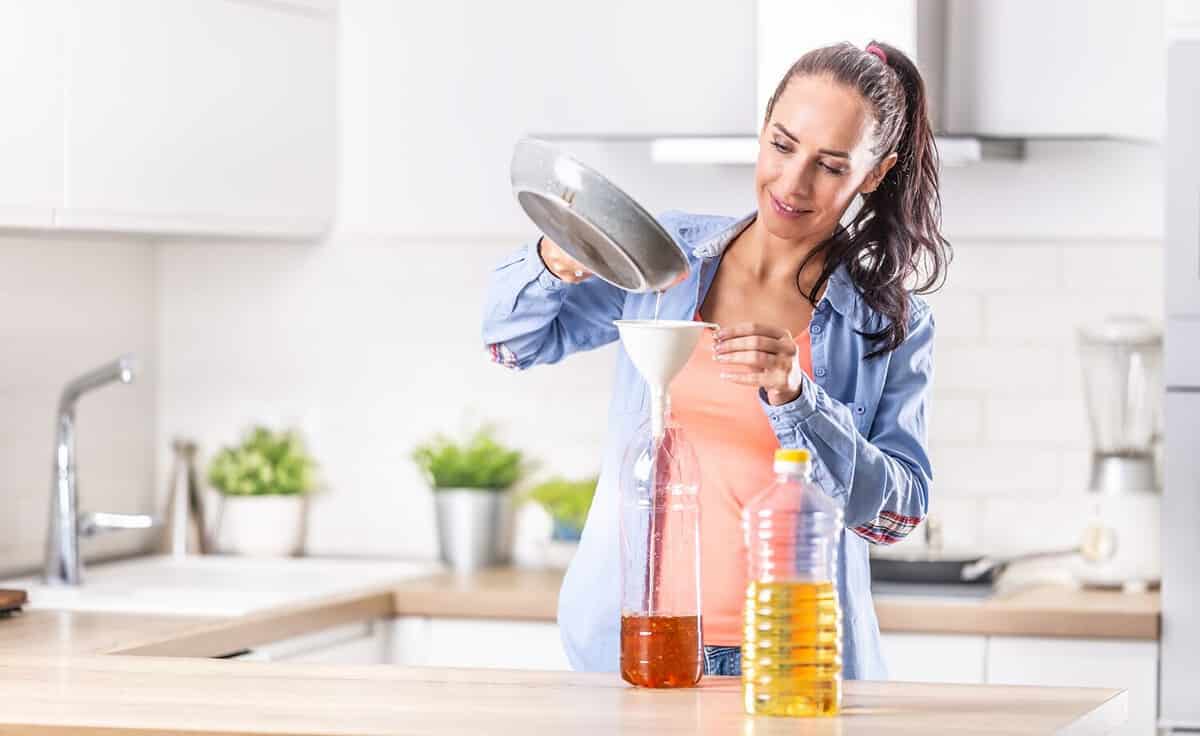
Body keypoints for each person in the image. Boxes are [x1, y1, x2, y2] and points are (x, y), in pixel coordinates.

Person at [481, 41, 950, 680]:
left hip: (792, 664)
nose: (793, 183)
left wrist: (798, 397)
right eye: (782, 146)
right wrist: (551, 259)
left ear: (873, 173)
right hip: (635, 648)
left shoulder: (888, 322)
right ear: (762, 130)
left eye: (831, 166)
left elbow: (898, 513)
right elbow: (512, 344)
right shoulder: (665, 257)